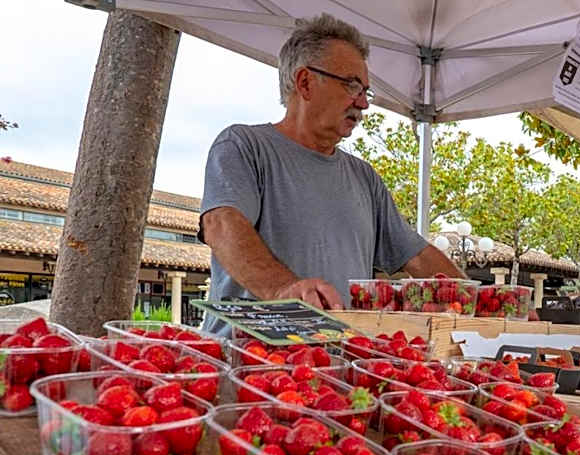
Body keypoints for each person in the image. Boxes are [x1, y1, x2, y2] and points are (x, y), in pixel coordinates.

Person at [198, 14, 463, 336]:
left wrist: (482, 299)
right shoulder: (243, 146)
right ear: (305, 82)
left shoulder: (364, 177)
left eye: (366, 90)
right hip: (247, 362)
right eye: (352, 85)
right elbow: (221, 224)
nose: (364, 103)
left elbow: (417, 256)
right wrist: (284, 290)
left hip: (333, 365)